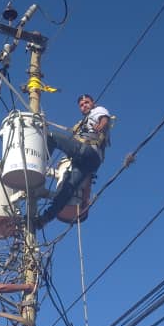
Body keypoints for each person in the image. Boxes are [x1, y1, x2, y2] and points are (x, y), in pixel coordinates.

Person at [35, 93, 112, 227]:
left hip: (87, 151)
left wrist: (102, 125)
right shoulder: (84, 123)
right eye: (81, 105)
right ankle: (45, 218)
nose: (84, 106)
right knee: (66, 190)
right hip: (89, 163)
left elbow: (104, 118)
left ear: (93, 103)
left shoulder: (96, 111)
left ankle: (37, 167)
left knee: (51, 137)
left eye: (86, 103)